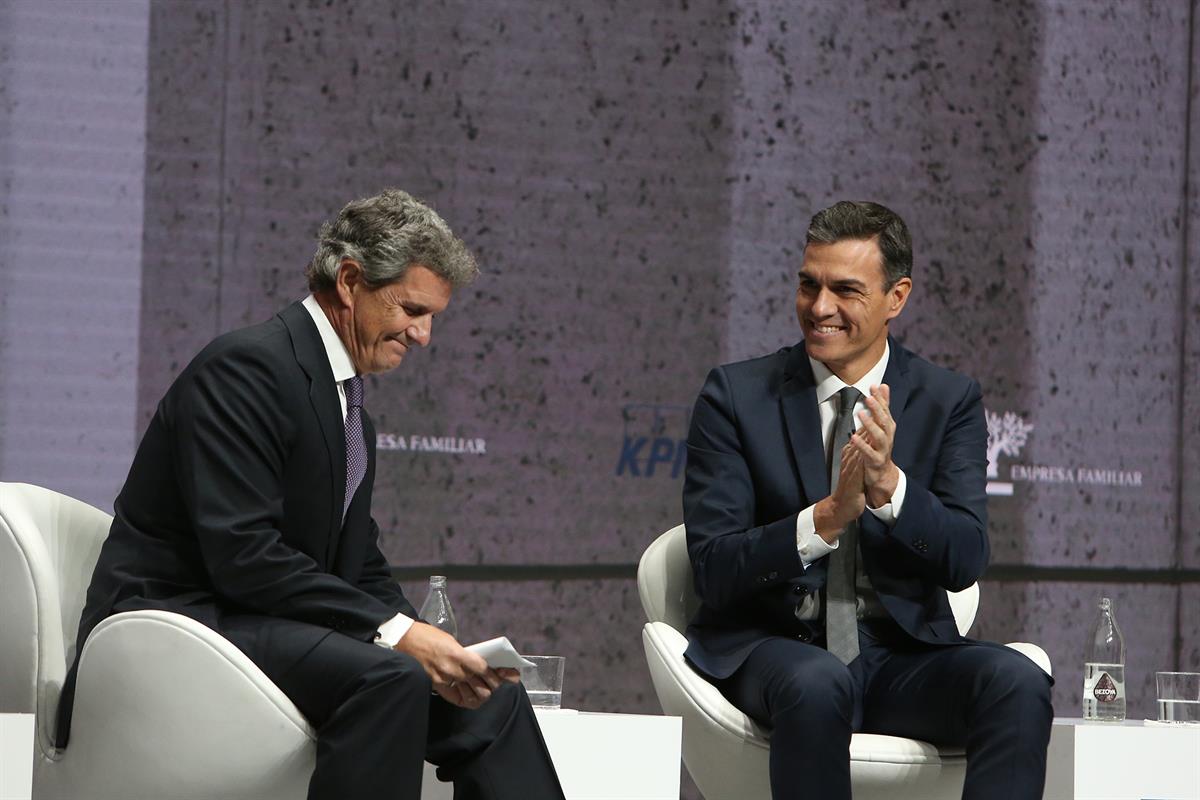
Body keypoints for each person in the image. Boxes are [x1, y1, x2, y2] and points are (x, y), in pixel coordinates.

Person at [57, 189, 565, 800]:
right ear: (350, 280)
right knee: (389, 675)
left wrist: (430, 643)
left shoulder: (349, 409)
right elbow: (243, 556)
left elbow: (359, 563)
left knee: (492, 704)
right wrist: (399, 636)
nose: (425, 335)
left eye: (434, 317)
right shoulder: (245, 369)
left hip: (258, 619)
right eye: (412, 309)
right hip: (180, 620)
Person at [682, 200, 1053, 799]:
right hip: (775, 649)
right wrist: (825, 518)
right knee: (819, 680)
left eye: (845, 290)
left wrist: (891, 490)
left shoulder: (947, 399)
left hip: (900, 658)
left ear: (896, 298)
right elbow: (714, 567)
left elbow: (964, 557)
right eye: (809, 285)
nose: (819, 307)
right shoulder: (736, 396)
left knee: (1017, 680)